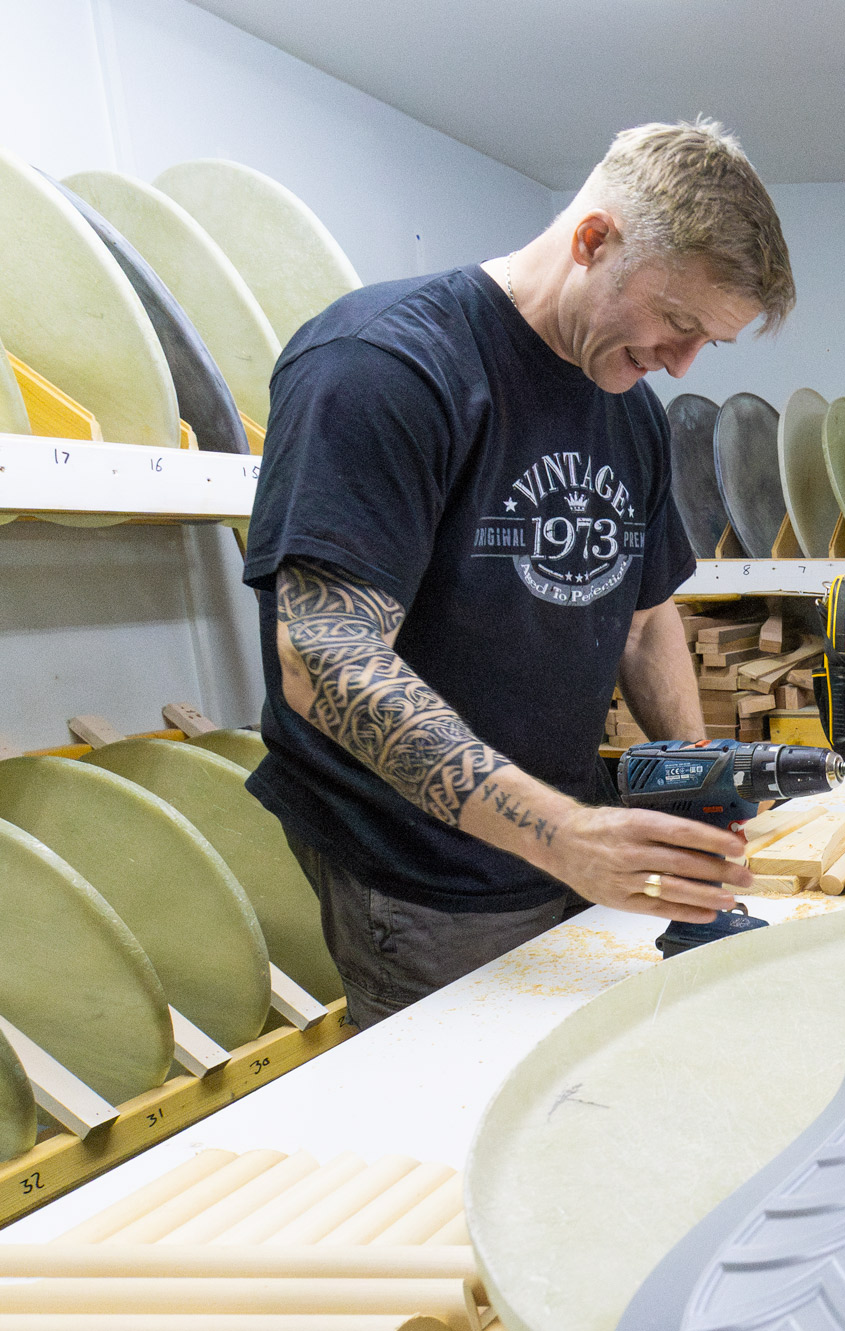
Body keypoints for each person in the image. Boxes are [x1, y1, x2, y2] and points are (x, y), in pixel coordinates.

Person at [238, 120, 796, 1027]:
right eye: (678, 323)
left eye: (709, 346)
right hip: (420, 872)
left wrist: (704, 779)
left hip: (562, 844)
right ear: (592, 240)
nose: (680, 363)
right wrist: (567, 835)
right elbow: (323, 660)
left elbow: (647, 619)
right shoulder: (383, 366)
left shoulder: (628, 411)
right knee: (463, 1125)